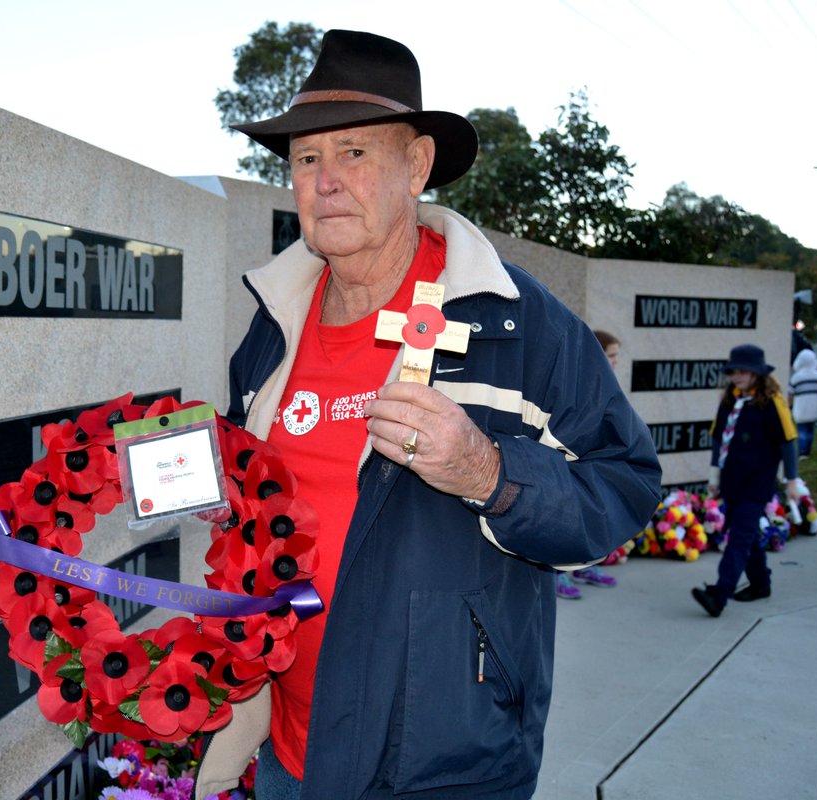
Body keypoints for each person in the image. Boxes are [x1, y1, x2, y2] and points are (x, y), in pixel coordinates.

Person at [195, 30, 662, 800]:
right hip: (288, 753)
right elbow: (266, 502)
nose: (325, 182)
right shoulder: (274, 320)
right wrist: (208, 485)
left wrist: (491, 474)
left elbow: (627, 484)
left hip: (439, 767)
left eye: (353, 153)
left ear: (416, 166)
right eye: (306, 160)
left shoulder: (516, 321)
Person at [692, 345, 800, 618]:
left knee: (739, 538)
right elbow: (718, 438)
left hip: (757, 483)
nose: (737, 376)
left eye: (744, 371)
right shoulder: (731, 400)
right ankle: (761, 582)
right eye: (734, 371)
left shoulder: (772, 401)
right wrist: (714, 477)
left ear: (757, 373)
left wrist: (792, 480)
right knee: (746, 536)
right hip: (732, 481)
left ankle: (719, 594)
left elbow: (788, 442)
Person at [555, 329, 624, 599]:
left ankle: (584, 567)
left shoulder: (606, 382)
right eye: (612, 355)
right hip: (571, 460)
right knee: (564, 519)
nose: (616, 361)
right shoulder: (576, 380)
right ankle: (556, 574)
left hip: (593, 460)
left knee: (587, 518)